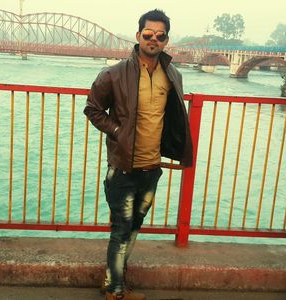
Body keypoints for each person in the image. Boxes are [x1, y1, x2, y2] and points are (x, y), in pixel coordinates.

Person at [83, 9, 193, 300]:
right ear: (138, 36)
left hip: (151, 168)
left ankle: (111, 280)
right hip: (122, 169)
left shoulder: (173, 75)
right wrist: (119, 132)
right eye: (148, 34)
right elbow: (92, 109)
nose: (153, 39)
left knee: (133, 229)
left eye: (160, 35)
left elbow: (171, 117)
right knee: (121, 230)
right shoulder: (114, 73)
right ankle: (116, 292)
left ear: (166, 40)